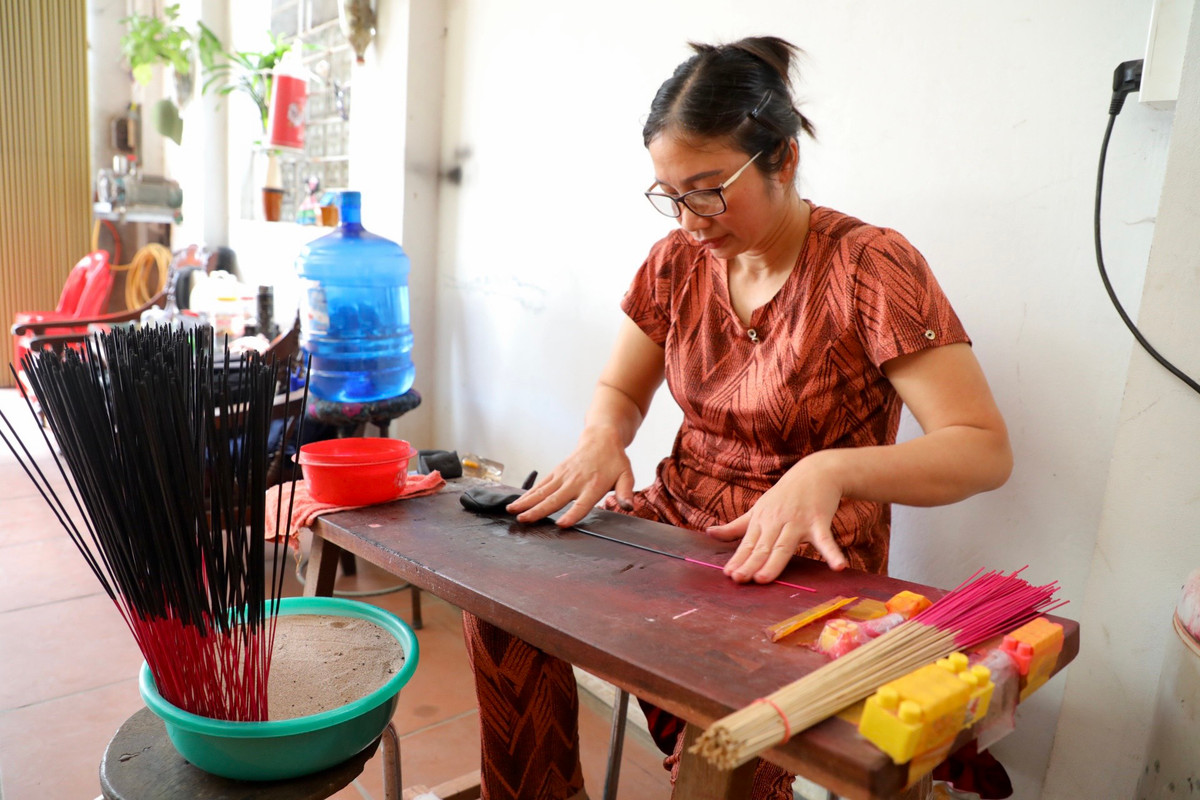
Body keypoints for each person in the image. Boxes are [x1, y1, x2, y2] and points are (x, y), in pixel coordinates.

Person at [465, 36, 1013, 800]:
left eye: (709, 189)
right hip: (677, 521)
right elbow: (621, 392)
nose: (690, 219)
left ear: (783, 159)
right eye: (670, 192)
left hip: (798, 557)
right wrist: (601, 438)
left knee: (733, 741)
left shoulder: (870, 267)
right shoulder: (674, 262)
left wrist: (830, 468)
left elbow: (982, 450)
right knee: (502, 611)